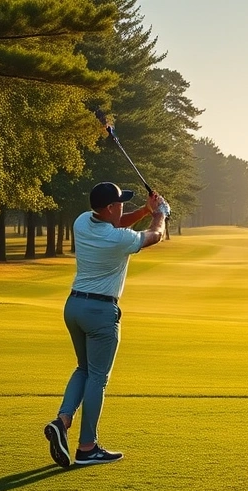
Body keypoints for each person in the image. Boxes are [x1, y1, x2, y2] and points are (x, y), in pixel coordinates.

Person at [44, 182, 169, 467]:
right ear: (111, 207)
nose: (122, 206)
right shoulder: (118, 240)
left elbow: (120, 222)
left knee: (84, 368)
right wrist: (160, 214)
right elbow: (154, 236)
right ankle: (87, 447)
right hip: (100, 312)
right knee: (98, 377)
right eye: (120, 203)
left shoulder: (82, 221)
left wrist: (145, 209)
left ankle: (62, 421)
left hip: (74, 306)